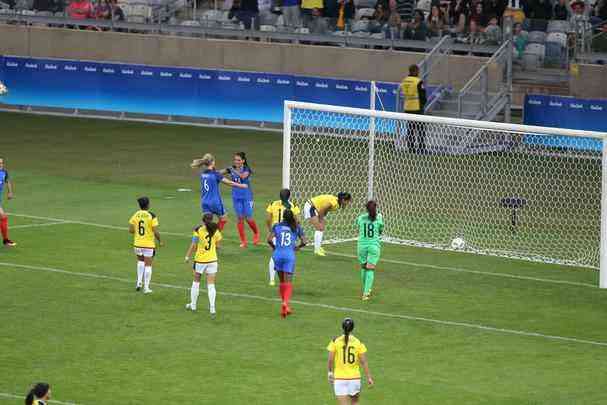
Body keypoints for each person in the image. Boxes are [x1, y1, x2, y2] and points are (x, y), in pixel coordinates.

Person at [191, 153, 248, 232]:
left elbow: (217, 173)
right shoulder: (215, 174)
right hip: (215, 202)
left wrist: (227, 170)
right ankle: (215, 235)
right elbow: (229, 182)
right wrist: (241, 186)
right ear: (213, 162)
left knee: (207, 222)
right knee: (224, 219)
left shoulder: (203, 174)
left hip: (204, 202)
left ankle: (200, 231)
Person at [268, 209, 306, 318]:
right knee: (288, 282)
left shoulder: (277, 226)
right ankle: (285, 303)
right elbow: (304, 241)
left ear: (283, 217)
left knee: (282, 282)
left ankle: (284, 304)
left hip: (277, 255)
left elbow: (269, 239)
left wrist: (275, 248)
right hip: (289, 255)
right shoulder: (296, 227)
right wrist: (297, 248)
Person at [327, 318, 374, 404]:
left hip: (340, 379)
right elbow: (364, 362)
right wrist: (369, 377)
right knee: (355, 403)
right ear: (353, 328)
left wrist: (330, 372)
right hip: (354, 379)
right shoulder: (358, 342)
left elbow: (330, 360)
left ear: (342, 327)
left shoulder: (335, 341)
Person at [185, 213, 222, 318]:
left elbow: (194, 245)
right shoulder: (216, 230)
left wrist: (187, 256)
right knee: (211, 284)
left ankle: (193, 305)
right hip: (212, 260)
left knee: (196, 282)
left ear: (203, 220)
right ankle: (212, 308)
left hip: (200, 260)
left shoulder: (198, 230)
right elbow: (218, 246)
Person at [266, 188, 301, 286]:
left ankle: (272, 280)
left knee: (274, 255)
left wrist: (271, 230)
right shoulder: (292, 205)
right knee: (287, 256)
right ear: (289, 196)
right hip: (287, 232)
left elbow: (268, 219)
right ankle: (285, 281)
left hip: (276, 231)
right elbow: (298, 220)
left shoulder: (273, 203)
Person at [128, 197, 162, 294]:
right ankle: (146, 288)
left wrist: (138, 232)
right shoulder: (152, 215)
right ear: (148, 205)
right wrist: (160, 241)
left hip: (137, 243)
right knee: (148, 265)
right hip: (148, 244)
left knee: (140, 261)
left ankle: (139, 282)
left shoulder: (136, 214)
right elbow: (155, 231)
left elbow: (130, 230)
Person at [227, 152, 260, 248]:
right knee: (240, 218)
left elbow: (242, 176)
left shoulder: (247, 169)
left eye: (238, 160)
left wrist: (232, 170)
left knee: (248, 218)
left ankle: (256, 233)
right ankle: (243, 241)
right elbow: (220, 173)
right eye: (235, 160)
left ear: (243, 161)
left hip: (247, 197)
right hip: (236, 197)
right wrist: (212, 171)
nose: (236, 161)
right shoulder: (232, 168)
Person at [304, 192, 352, 256]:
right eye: (348, 201)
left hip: (315, 208)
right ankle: (317, 250)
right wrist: (321, 219)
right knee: (319, 228)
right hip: (311, 206)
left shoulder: (337, 203)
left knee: (321, 227)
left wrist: (322, 218)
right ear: (343, 200)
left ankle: (318, 247)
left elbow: (326, 209)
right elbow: (323, 208)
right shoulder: (334, 203)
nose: (348, 203)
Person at [356, 201, 384, 301]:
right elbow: (381, 230)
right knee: (370, 269)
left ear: (366, 209)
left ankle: (365, 290)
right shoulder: (379, 217)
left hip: (362, 245)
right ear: (375, 208)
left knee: (364, 267)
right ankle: (366, 293)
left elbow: (358, 226)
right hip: (373, 246)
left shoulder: (361, 217)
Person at [400, 64, 427, 154]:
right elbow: (423, 96)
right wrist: (423, 105)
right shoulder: (418, 81)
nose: (419, 72)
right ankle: (421, 148)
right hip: (417, 107)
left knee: (410, 129)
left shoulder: (405, 81)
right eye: (418, 71)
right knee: (421, 129)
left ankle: (411, 149)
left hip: (407, 107)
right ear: (415, 71)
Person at [0, 157, 16, 247]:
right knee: (3, 217)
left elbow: (8, 181)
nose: (1, 165)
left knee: (3, 218)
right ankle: (6, 240)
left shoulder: (4, 172)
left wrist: (10, 192)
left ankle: (6, 240)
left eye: (1, 163)